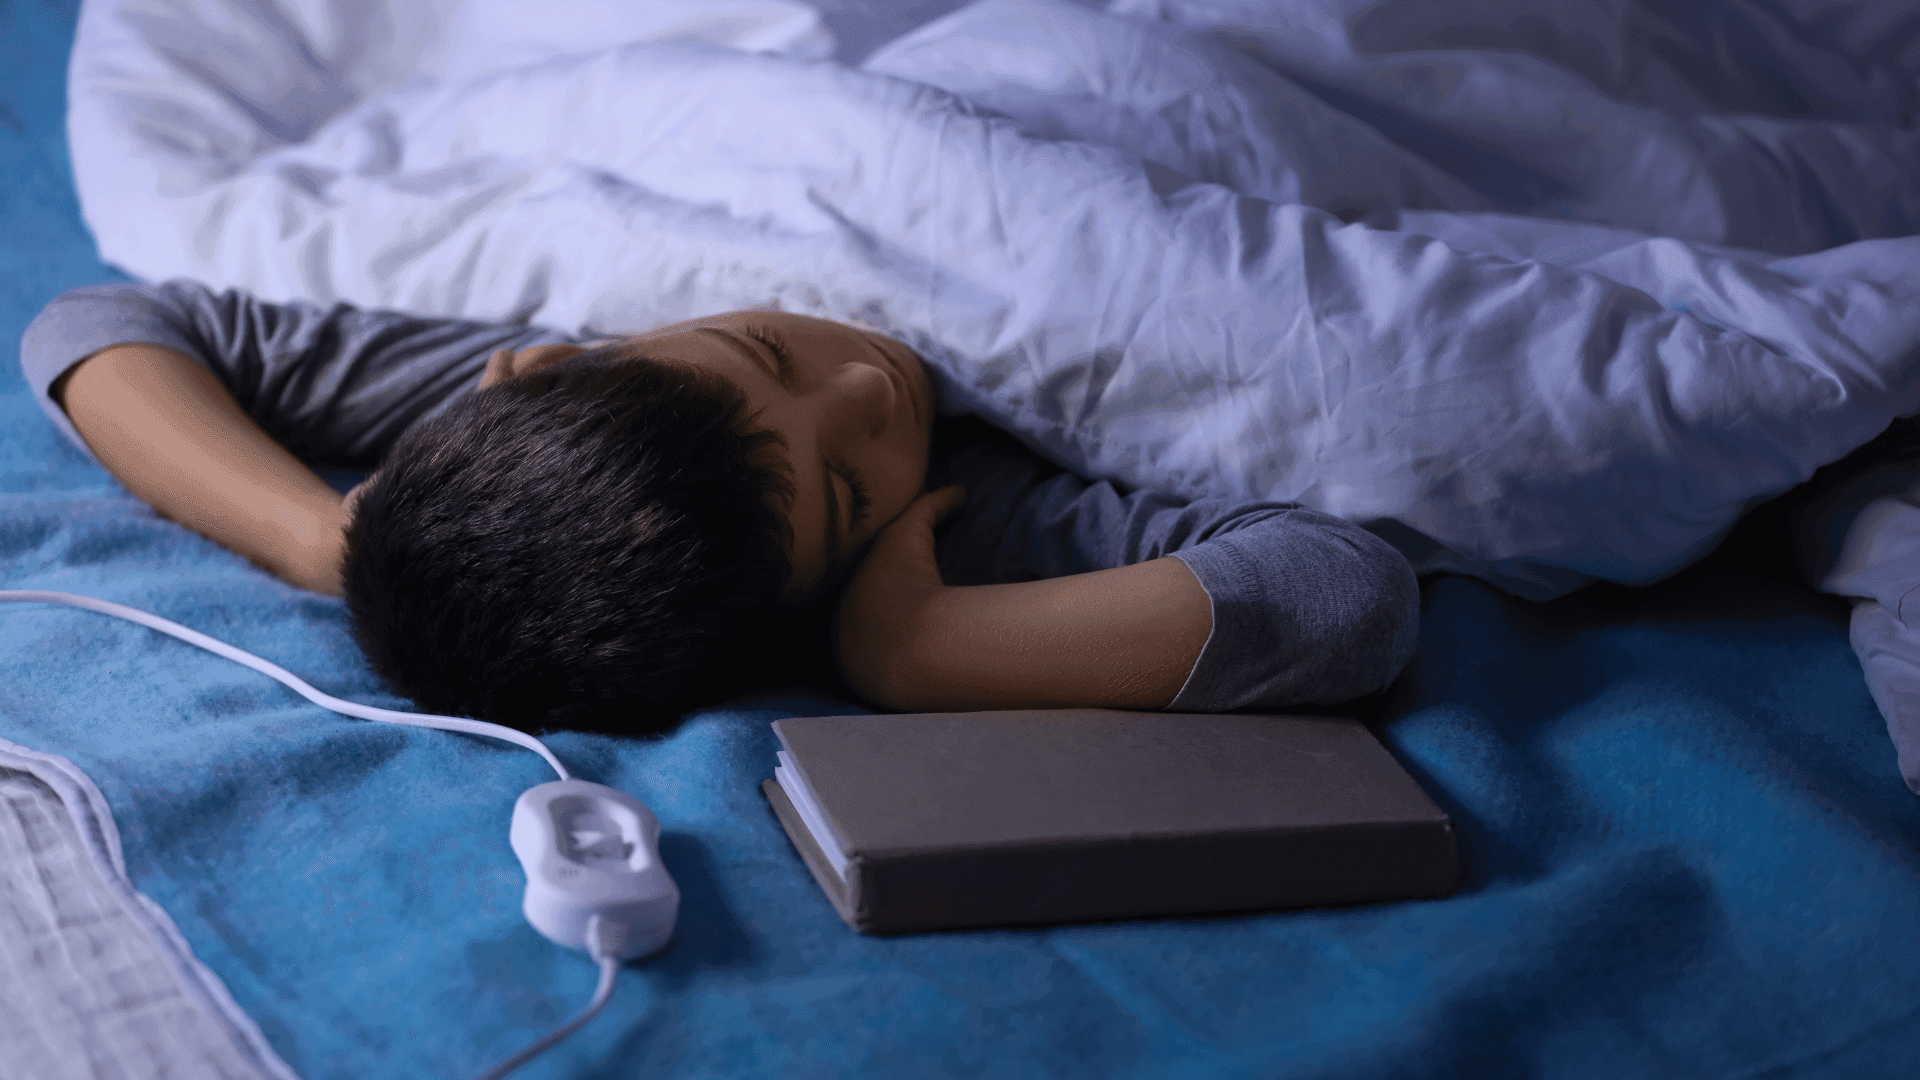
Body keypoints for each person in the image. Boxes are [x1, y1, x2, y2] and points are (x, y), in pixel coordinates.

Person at [21, 280, 1420, 733]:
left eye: (767, 353)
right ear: (798, 606)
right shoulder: (958, 533)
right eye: (848, 481)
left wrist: (324, 540)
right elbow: (1347, 590)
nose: (871, 389)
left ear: (541, 366)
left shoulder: (536, 384)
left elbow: (98, 319)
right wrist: (924, 652)